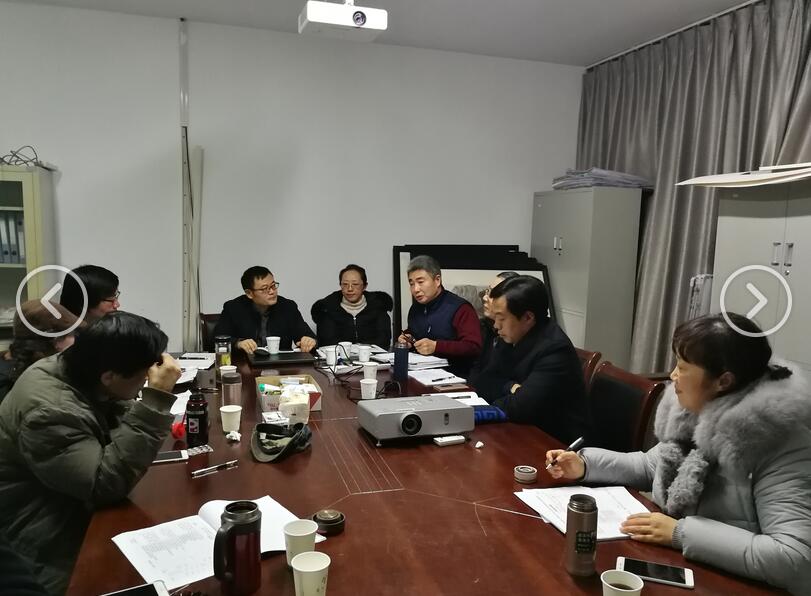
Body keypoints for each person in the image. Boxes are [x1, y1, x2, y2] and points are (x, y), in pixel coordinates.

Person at [546, 313, 811, 594]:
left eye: (682, 367)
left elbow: (795, 559)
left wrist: (680, 533)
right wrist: (584, 464)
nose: (673, 376)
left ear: (723, 381)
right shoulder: (699, 411)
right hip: (689, 568)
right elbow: (651, 466)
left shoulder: (783, 444)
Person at [0, 311, 181, 594]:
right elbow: (103, 485)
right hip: (42, 532)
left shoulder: (81, 366)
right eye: (142, 376)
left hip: (67, 500)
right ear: (108, 376)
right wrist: (155, 400)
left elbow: (113, 406)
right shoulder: (48, 411)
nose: (147, 380)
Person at [469, 275, 589, 443]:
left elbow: (520, 408)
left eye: (501, 318)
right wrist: (510, 387)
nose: (496, 325)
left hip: (555, 444)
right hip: (519, 431)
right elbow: (483, 381)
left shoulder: (555, 350)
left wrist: (504, 391)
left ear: (528, 318)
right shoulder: (512, 336)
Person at [397, 255, 482, 376]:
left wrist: (436, 346)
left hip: (454, 377)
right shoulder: (415, 308)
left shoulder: (461, 308)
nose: (415, 289)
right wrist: (407, 338)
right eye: (411, 284)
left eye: (420, 282)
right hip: (419, 374)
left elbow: (473, 346)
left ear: (437, 280)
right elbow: (416, 331)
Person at [213, 266, 316, 354]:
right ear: (249, 293)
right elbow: (217, 339)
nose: (272, 292)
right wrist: (238, 343)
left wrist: (309, 340)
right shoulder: (233, 308)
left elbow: (308, 335)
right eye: (264, 289)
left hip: (280, 364)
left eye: (273, 286)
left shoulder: (288, 307)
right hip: (245, 365)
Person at [0, 301, 83, 403]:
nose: (76, 339)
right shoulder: (39, 387)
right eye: (73, 333)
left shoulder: (12, 366)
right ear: (56, 340)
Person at [310, 264, 392, 348]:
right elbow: (326, 342)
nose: (350, 289)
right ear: (340, 285)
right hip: (339, 355)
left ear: (364, 286)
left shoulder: (378, 307)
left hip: (372, 355)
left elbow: (384, 341)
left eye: (355, 284)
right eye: (345, 284)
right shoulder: (327, 309)